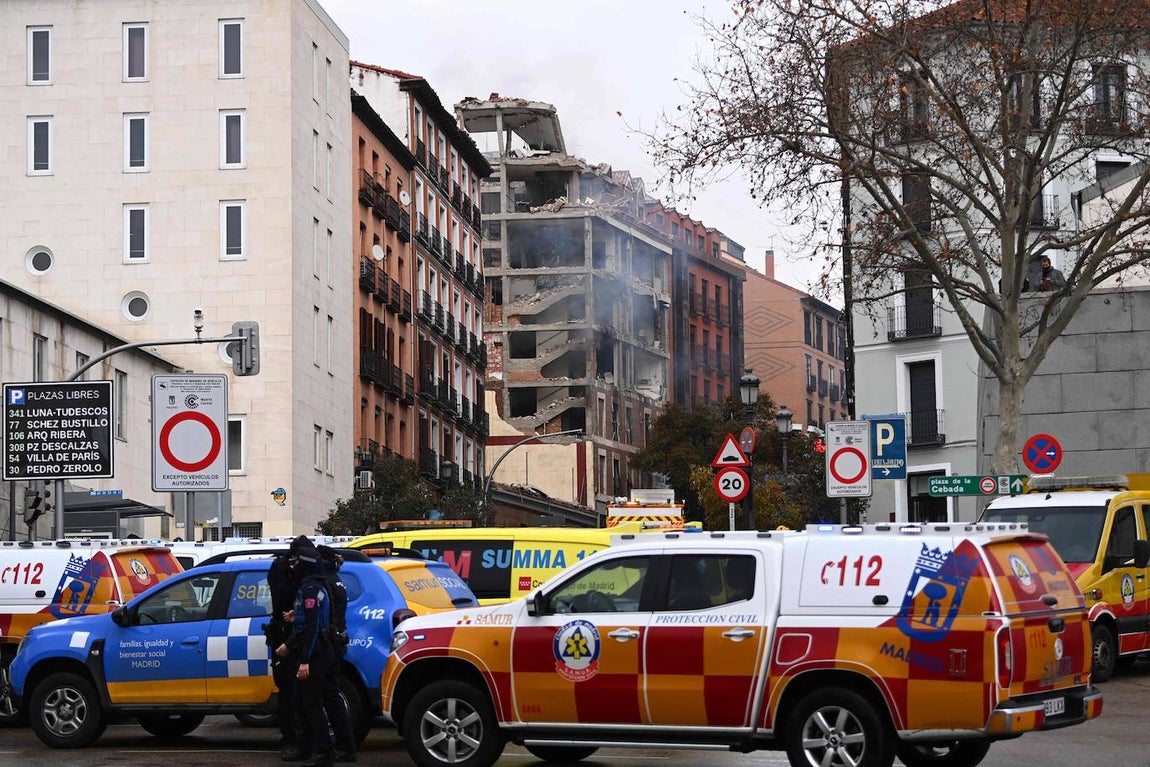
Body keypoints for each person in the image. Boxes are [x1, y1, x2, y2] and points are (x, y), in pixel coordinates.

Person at [289, 537, 338, 767]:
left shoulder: (310, 589)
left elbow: (312, 626)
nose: (294, 566)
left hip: (316, 653)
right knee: (308, 701)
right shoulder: (314, 587)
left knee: (311, 703)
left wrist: (305, 660)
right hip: (321, 651)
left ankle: (324, 752)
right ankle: (314, 749)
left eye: (297, 562)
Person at [266, 536, 308, 761]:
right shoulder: (280, 569)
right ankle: (291, 739)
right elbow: (282, 596)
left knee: (304, 695)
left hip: (304, 636)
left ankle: (303, 739)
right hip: (285, 636)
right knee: (288, 693)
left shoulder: (308, 570)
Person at [316, 545, 356, 763]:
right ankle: (345, 746)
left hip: (328, 644)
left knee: (323, 698)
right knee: (332, 696)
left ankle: (331, 748)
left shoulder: (326, 583)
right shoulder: (337, 580)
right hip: (336, 641)